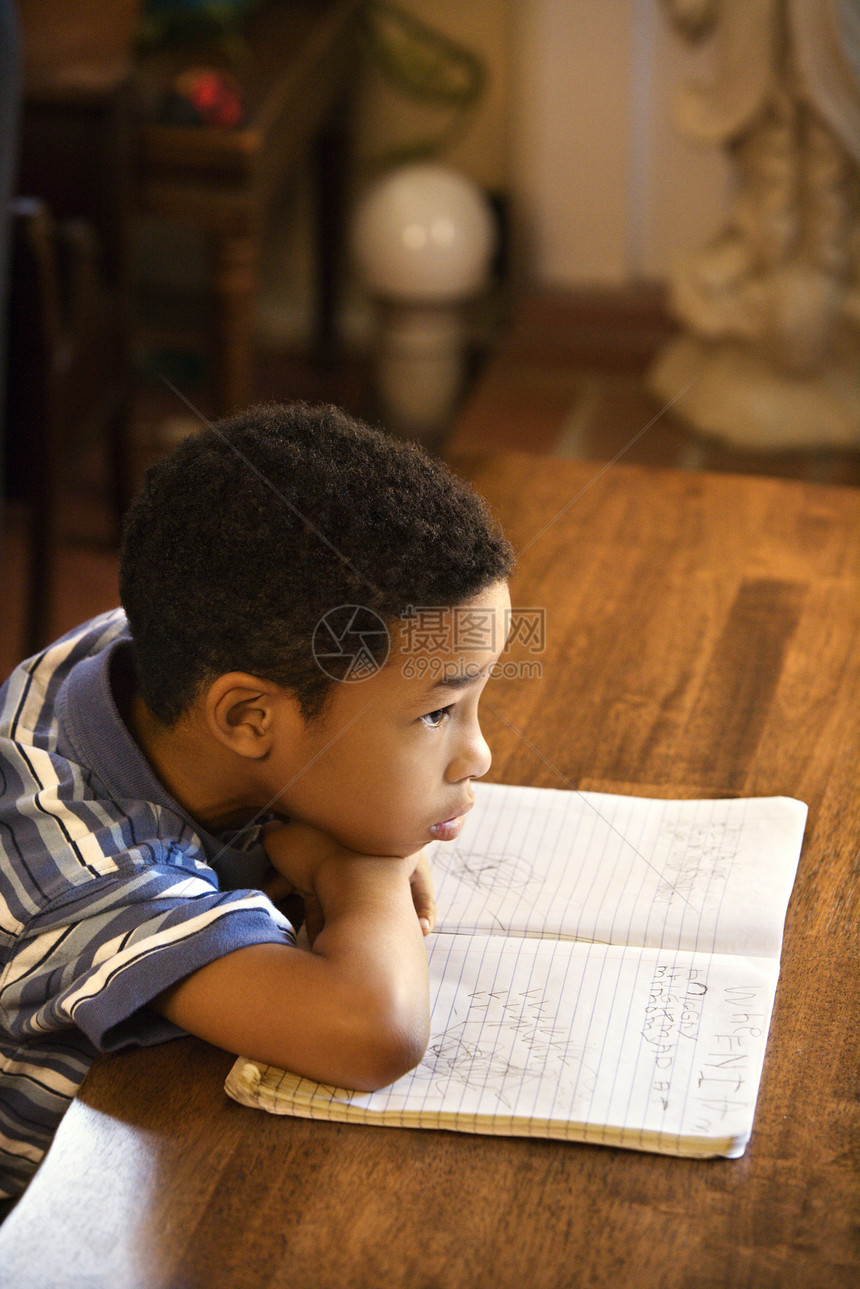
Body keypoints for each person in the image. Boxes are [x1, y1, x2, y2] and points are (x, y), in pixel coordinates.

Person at [0, 402, 514, 1206]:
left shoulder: (165, 653)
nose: (478, 754)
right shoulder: (88, 873)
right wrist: (364, 867)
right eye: (436, 713)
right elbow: (373, 1032)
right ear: (248, 719)